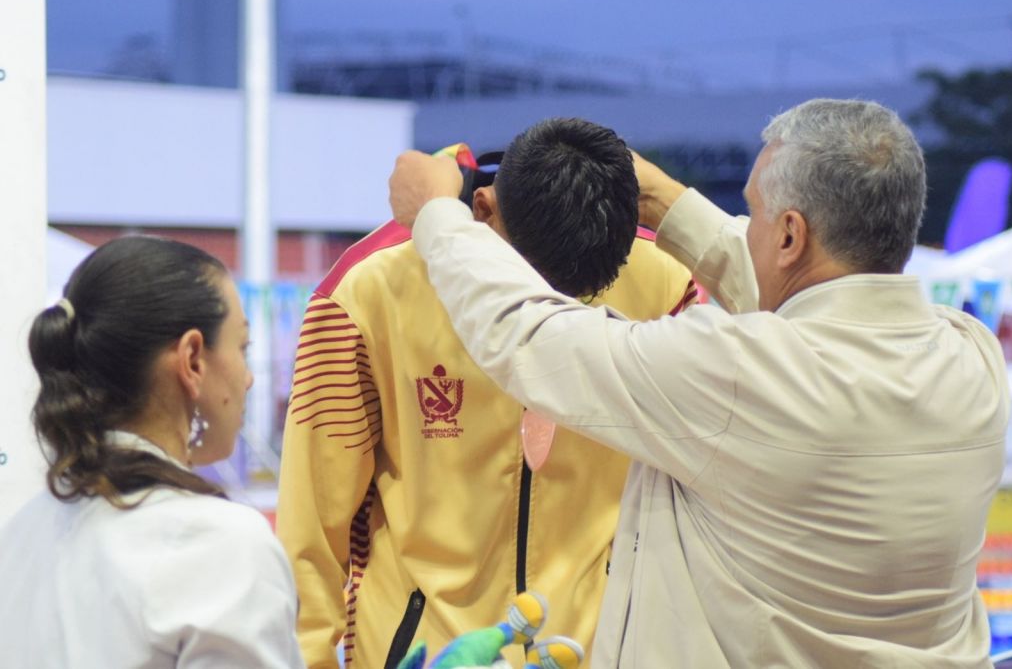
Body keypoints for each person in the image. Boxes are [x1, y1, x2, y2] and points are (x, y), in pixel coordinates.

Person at [388, 99, 1008, 668]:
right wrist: (655, 196)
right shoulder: (971, 359)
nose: (749, 229)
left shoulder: (735, 372)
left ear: (790, 234)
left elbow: (528, 334)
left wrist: (438, 218)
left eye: (756, 213)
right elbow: (815, 297)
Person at [276, 118, 697, 669]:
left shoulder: (661, 276)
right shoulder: (367, 288)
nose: (540, 315)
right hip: (425, 650)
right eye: (526, 283)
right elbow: (311, 524)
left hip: (598, 650)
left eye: (572, 297)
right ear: (481, 210)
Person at [0, 236, 304, 668]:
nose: (249, 379)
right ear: (193, 359)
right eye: (243, 348)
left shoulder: (19, 534)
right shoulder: (220, 545)